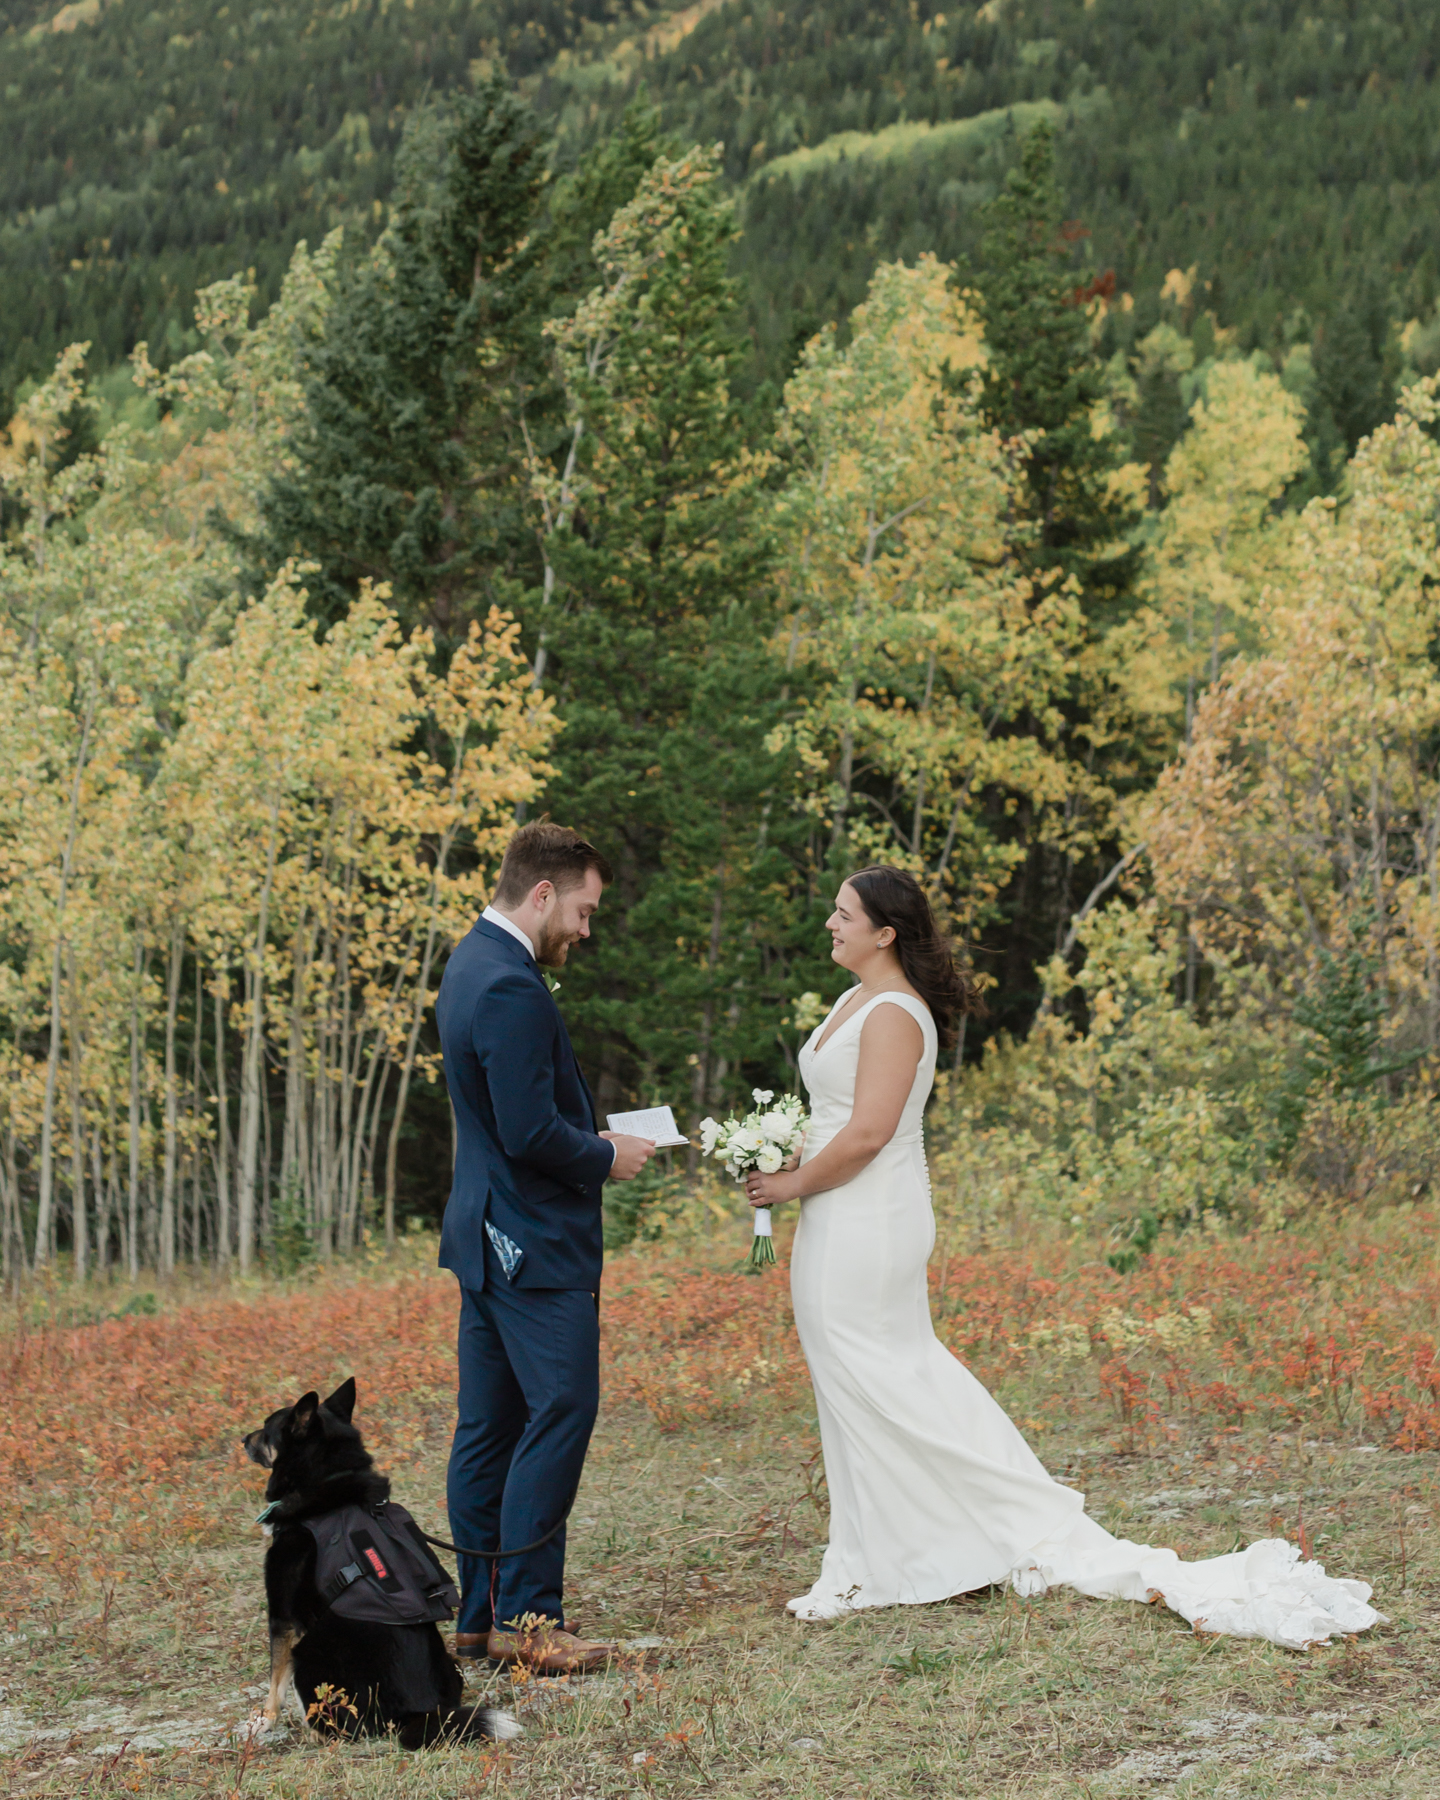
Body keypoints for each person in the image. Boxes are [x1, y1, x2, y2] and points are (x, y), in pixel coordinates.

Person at [742, 865, 1382, 1651]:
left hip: (870, 1214)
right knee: (868, 1374)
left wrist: (791, 1181)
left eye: (844, 915)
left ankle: (893, 1556)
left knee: (881, 1369)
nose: (830, 925)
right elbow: (834, 1114)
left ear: (886, 933)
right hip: (837, 1208)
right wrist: (777, 1151)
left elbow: (870, 1134)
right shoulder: (852, 1001)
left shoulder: (896, 1015)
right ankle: (899, 1546)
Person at [436, 822, 656, 1674]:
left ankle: (480, 1618)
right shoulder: (513, 988)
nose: (586, 929)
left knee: (489, 1428)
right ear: (541, 894)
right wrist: (607, 1154)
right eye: (584, 910)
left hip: (486, 1236)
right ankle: (529, 1620)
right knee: (561, 1409)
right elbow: (527, 1133)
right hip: (529, 1243)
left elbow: (508, 1119)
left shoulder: (471, 963)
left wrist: (584, 1134)